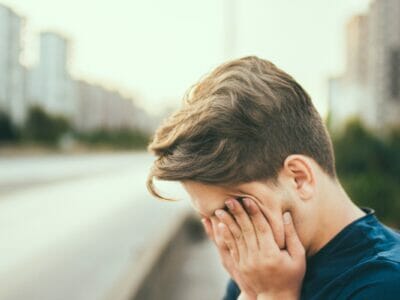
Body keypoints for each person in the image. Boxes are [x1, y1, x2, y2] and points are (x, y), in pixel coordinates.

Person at [146, 56, 400, 299]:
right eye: (209, 219)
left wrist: (275, 295)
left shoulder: (385, 285)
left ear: (299, 178)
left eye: (234, 212)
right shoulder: (262, 269)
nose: (224, 235)